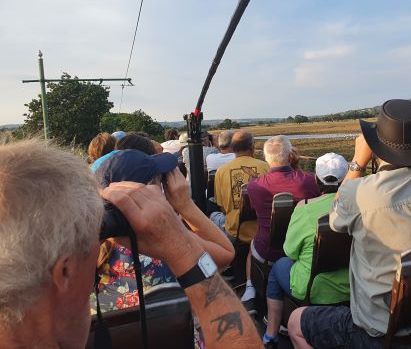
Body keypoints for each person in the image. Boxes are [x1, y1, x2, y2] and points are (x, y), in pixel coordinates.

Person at [0, 139, 261, 349]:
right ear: (65, 271)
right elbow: (225, 255)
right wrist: (182, 213)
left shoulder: (96, 262)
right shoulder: (167, 248)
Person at [288, 99, 411, 349]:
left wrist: (357, 162)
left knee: (295, 323)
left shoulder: (357, 192)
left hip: (376, 334)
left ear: (375, 148)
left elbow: (334, 220)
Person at [93, 149, 235, 312]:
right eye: (161, 182)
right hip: (185, 334)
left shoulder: (97, 244)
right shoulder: (164, 237)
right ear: (148, 192)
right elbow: (226, 255)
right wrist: (185, 205)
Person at [262, 153, 350, 348]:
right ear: (346, 179)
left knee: (279, 266)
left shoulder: (305, 208)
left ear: (316, 178)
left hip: (313, 289)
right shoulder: (356, 206)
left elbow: (290, 251)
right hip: (350, 287)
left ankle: (271, 334)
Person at [243, 135, 320, 314]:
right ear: (291, 154)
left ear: (265, 158)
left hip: (268, 249)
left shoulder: (255, 186)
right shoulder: (309, 180)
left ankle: (249, 288)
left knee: (252, 244)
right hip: (301, 251)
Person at [212, 130, 268, 242]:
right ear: (252, 147)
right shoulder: (265, 167)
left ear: (233, 148)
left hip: (233, 233)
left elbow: (222, 207)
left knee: (213, 215)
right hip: (261, 233)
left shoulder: (221, 171)